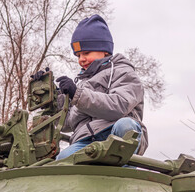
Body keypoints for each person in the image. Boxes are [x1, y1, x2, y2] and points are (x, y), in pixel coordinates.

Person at [49, 14, 148, 160]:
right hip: (86, 140)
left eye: (86, 53)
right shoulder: (83, 83)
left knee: (125, 126)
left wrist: (78, 94)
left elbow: (119, 105)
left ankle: (123, 165)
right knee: (62, 160)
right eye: (78, 55)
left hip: (114, 131)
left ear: (105, 51)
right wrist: (52, 96)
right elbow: (68, 122)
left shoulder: (124, 72)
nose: (81, 59)